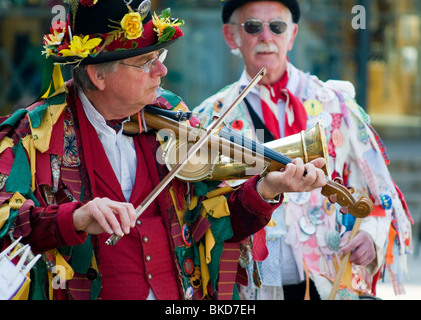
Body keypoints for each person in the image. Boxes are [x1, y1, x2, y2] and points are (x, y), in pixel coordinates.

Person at [0, 0, 327, 300]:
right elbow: (6, 228)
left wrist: (268, 189)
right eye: (145, 62)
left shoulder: (174, 115)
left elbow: (211, 220)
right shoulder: (33, 134)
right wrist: (76, 218)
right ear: (97, 74)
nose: (162, 71)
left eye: (160, 58)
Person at [195, 0, 413, 300]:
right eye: (253, 27)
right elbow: (200, 209)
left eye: (277, 26)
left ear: (293, 34)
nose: (266, 37)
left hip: (328, 279)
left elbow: (380, 191)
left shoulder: (335, 102)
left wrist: (371, 235)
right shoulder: (210, 117)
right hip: (250, 288)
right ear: (231, 36)